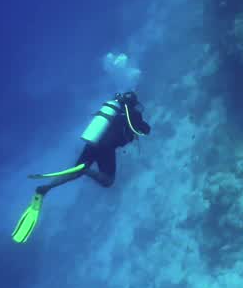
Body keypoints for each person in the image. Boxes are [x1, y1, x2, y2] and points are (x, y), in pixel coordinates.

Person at [11, 91, 152, 243]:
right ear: (133, 104)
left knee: (75, 172)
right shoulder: (134, 115)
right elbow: (146, 130)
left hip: (92, 143)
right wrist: (139, 127)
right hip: (106, 148)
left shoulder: (112, 110)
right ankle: (86, 170)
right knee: (108, 181)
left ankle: (45, 188)